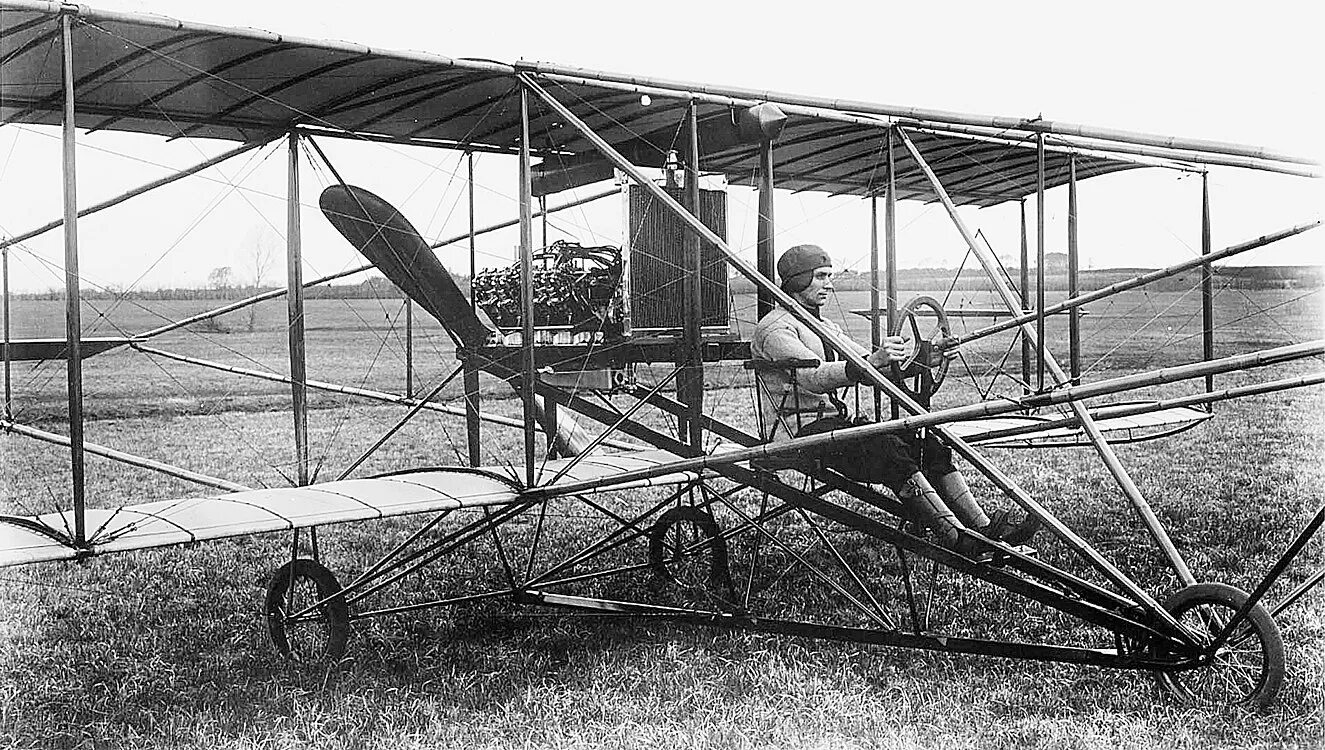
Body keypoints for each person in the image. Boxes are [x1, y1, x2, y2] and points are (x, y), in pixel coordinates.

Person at [751, 244, 1037, 554]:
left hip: (831, 427)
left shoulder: (824, 326)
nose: (829, 285)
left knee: (927, 445)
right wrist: (870, 362)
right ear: (797, 280)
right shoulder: (775, 329)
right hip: (798, 435)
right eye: (820, 277)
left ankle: (983, 527)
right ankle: (955, 537)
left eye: (829, 276)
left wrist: (930, 356)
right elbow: (813, 377)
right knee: (886, 449)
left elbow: (875, 365)